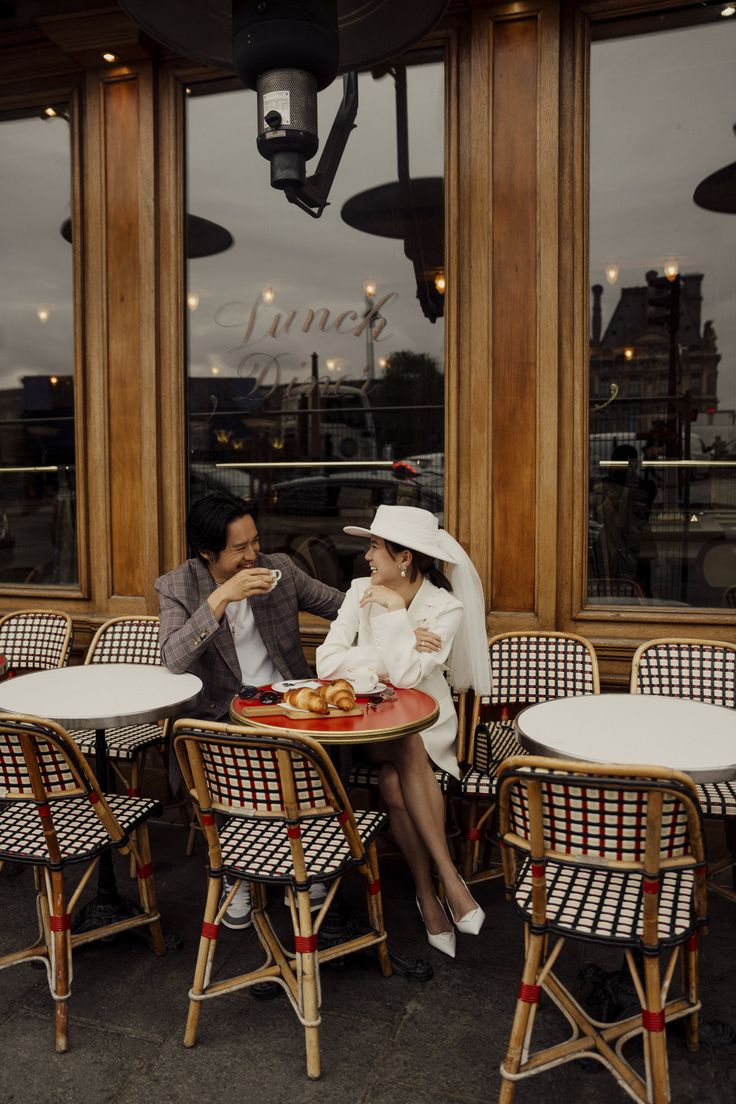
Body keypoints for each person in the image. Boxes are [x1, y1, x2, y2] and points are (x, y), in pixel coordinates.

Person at [155, 490, 345, 926]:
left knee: (299, 753)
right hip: (222, 714)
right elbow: (173, 658)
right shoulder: (178, 586)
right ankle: (238, 873)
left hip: (288, 705)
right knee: (231, 759)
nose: (252, 555)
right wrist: (221, 600)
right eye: (239, 548)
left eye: (254, 542)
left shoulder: (281, 570)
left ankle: (307, 857)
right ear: (206, 552)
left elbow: (340, 606)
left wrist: (396, 605)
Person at [316, 504, 492, 958]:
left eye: (375, 547)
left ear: (405, 558)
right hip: (368, 728)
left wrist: (394, 616)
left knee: (396, 781)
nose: (367, 557)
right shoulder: (359, 591)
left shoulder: (445, 607)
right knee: (401, 752)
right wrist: (401, 639)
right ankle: (450, 878)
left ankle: (426, 892)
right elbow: (326, 662)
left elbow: (409, 679)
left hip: (428, 726)